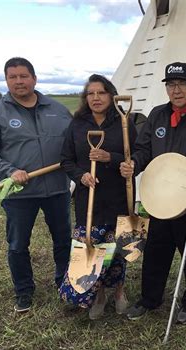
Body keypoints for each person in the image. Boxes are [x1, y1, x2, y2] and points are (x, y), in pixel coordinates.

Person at [120, 62, 186, 324]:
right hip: (159, 198)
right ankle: (150, 299)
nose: (176, 90)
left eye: (182, 84)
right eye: (171, 84)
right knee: (156, 250)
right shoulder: (157, 116)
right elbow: (143, 149)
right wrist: (135, 164)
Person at [0, 57, 72, 313]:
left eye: (23, 76)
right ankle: (24, 291)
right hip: (20, 194)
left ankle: (65, 282)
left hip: (57, 188)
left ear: (34, 78)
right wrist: (8, 170)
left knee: (63, 239)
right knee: (18, 244)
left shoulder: (57, 109)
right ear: (7, 80)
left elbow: (74, 143)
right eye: (13, 77)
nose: (19, 81)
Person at [59, 74, 137, 320]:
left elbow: (138, 155)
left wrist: (111, 158)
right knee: (94, 247)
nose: (95, 98)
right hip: (88, 198)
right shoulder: (77, 124)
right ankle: (100, 294)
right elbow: (66, 160)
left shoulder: (124, 122)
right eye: (90, 93)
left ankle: (120, 293)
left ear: (111, 95)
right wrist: (81, 175)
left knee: (119, 249)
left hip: (119, 196)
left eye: (101, 92)